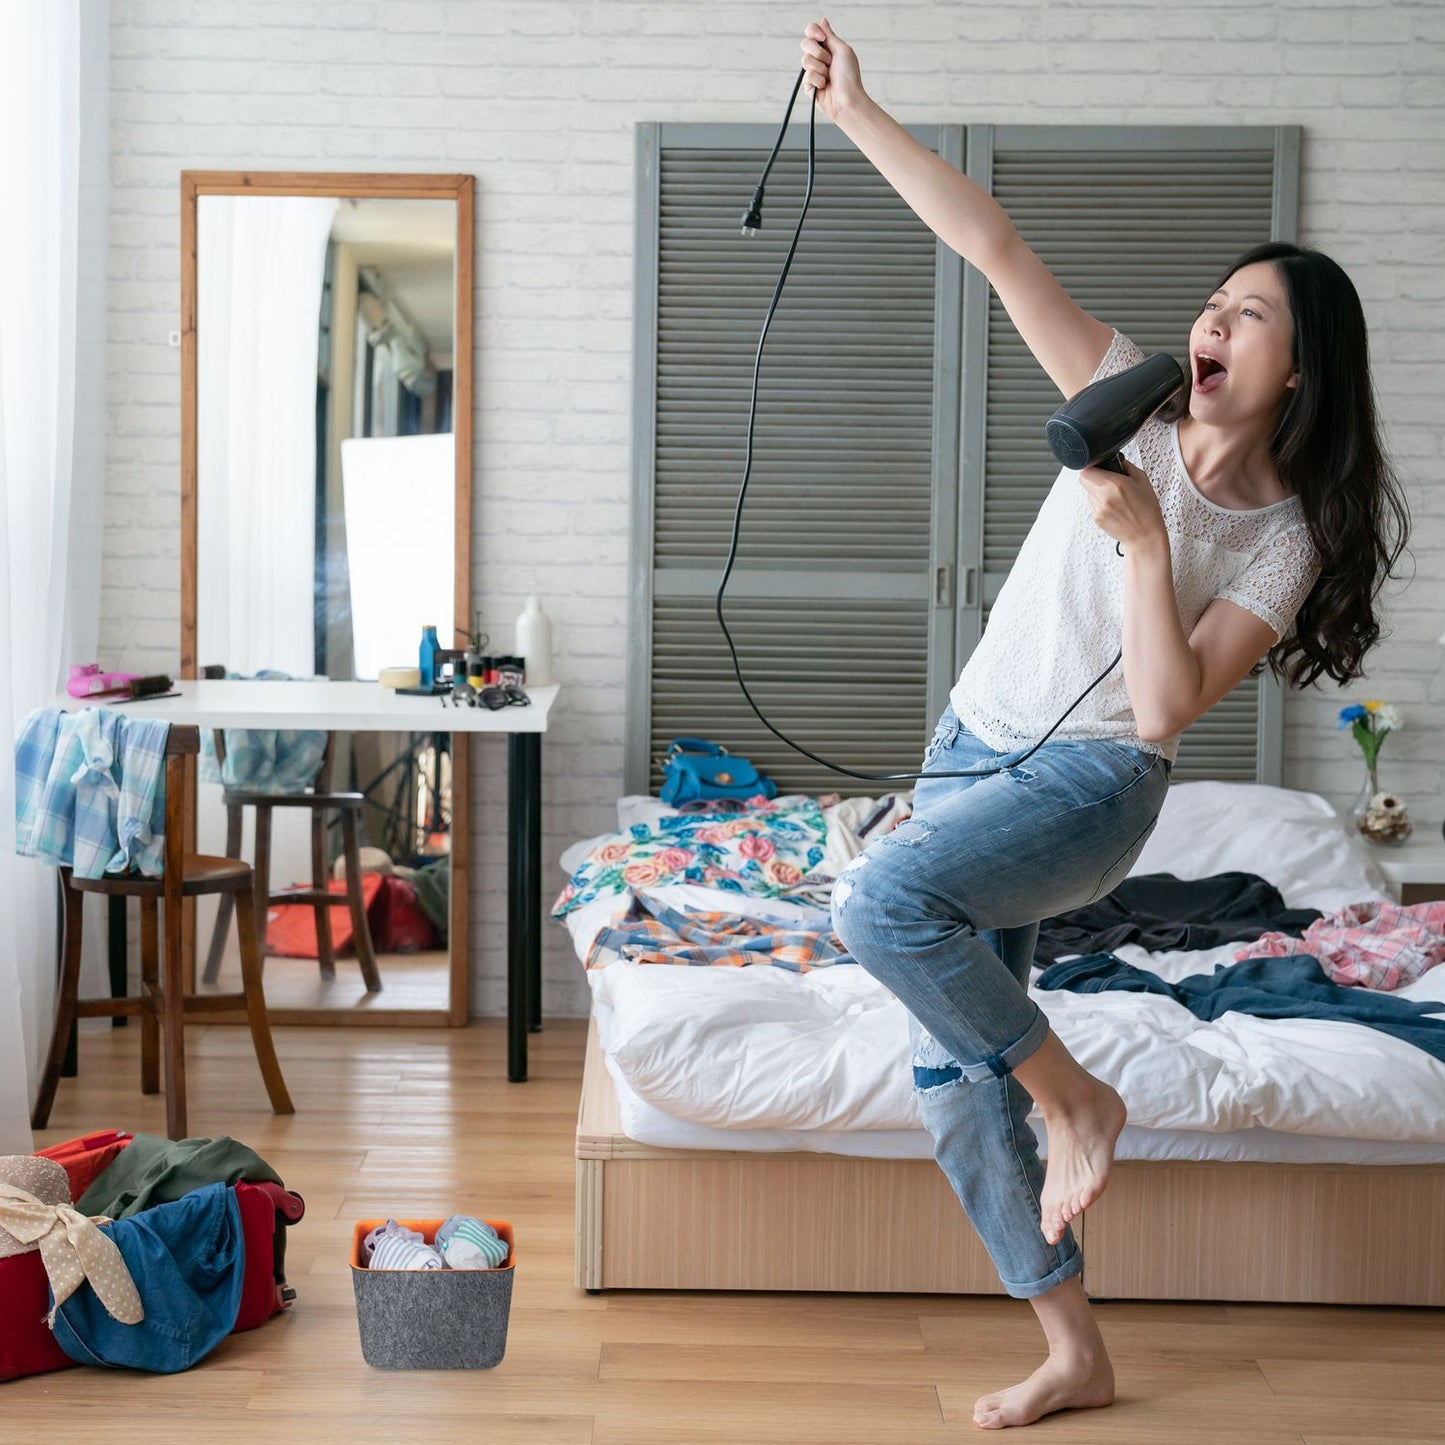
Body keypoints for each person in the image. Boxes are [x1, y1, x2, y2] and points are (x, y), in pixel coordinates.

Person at [800, 16, 1410, 1433]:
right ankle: (1074, 1346)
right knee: (954, 1081)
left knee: (877, 904)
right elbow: (995, 246)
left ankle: (1077, 1099)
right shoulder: (1127, 400)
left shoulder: (1285, 536)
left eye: (1250, 314)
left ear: (1298, 367)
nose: (1214, 322)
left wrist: (1144, 546)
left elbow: (1162, 707)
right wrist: (858, 118)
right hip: (970, 748)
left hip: (1090, 788)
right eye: (1215, 301)